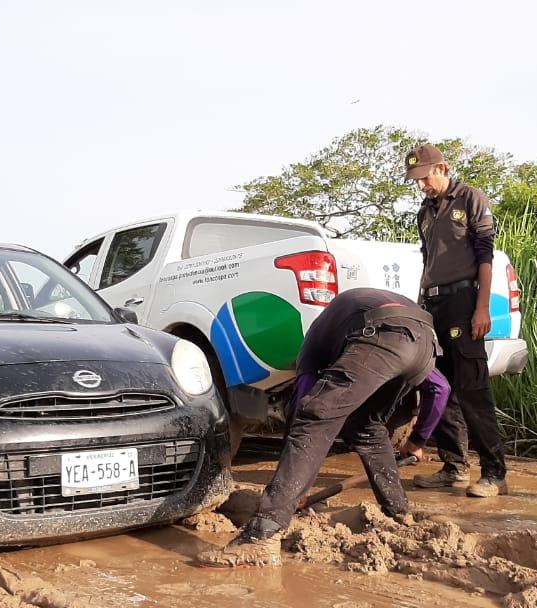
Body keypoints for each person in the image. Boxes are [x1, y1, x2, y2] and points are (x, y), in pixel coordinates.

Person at [197, 288, 449, 568]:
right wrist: (418, 439)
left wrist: (292, 487)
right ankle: (399, 512)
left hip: (382, 336)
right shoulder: (348, 320)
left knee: (314, 415)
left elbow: (305, 413)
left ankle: (262, 535)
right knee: (367, 427)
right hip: (427, 346)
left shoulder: (312, 347)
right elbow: (442, 388)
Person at [404, 144, 509, 499]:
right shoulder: (424, 213)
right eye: (415, 181)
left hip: (465, 302)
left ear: (443, 168)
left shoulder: (470, 199)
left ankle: (494, 472)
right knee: (439, 385)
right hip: (433, 304)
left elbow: (485, 256)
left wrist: (482, 309)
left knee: (471, 388)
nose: (422, 186)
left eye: (425, 178)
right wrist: (420, 308)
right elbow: (427, 261)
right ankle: (454, 466)